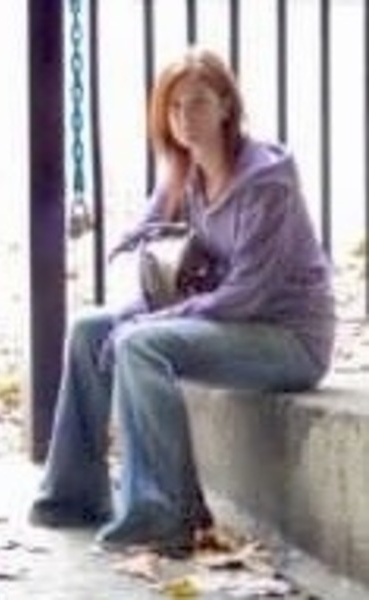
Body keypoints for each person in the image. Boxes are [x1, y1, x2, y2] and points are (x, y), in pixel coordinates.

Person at [30, 47, 335, 557]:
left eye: (197, 104)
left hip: (286, 338)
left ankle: (164, 515)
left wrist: (151, 322)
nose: (184, 119)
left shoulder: (268, 182)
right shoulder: (184, 174)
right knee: (89, 330)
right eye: (173, 108)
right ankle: (74, 495)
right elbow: (134, 244)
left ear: (225, 107)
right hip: (223, 324)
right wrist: (132, 304)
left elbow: (246, 295)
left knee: (143, 346)